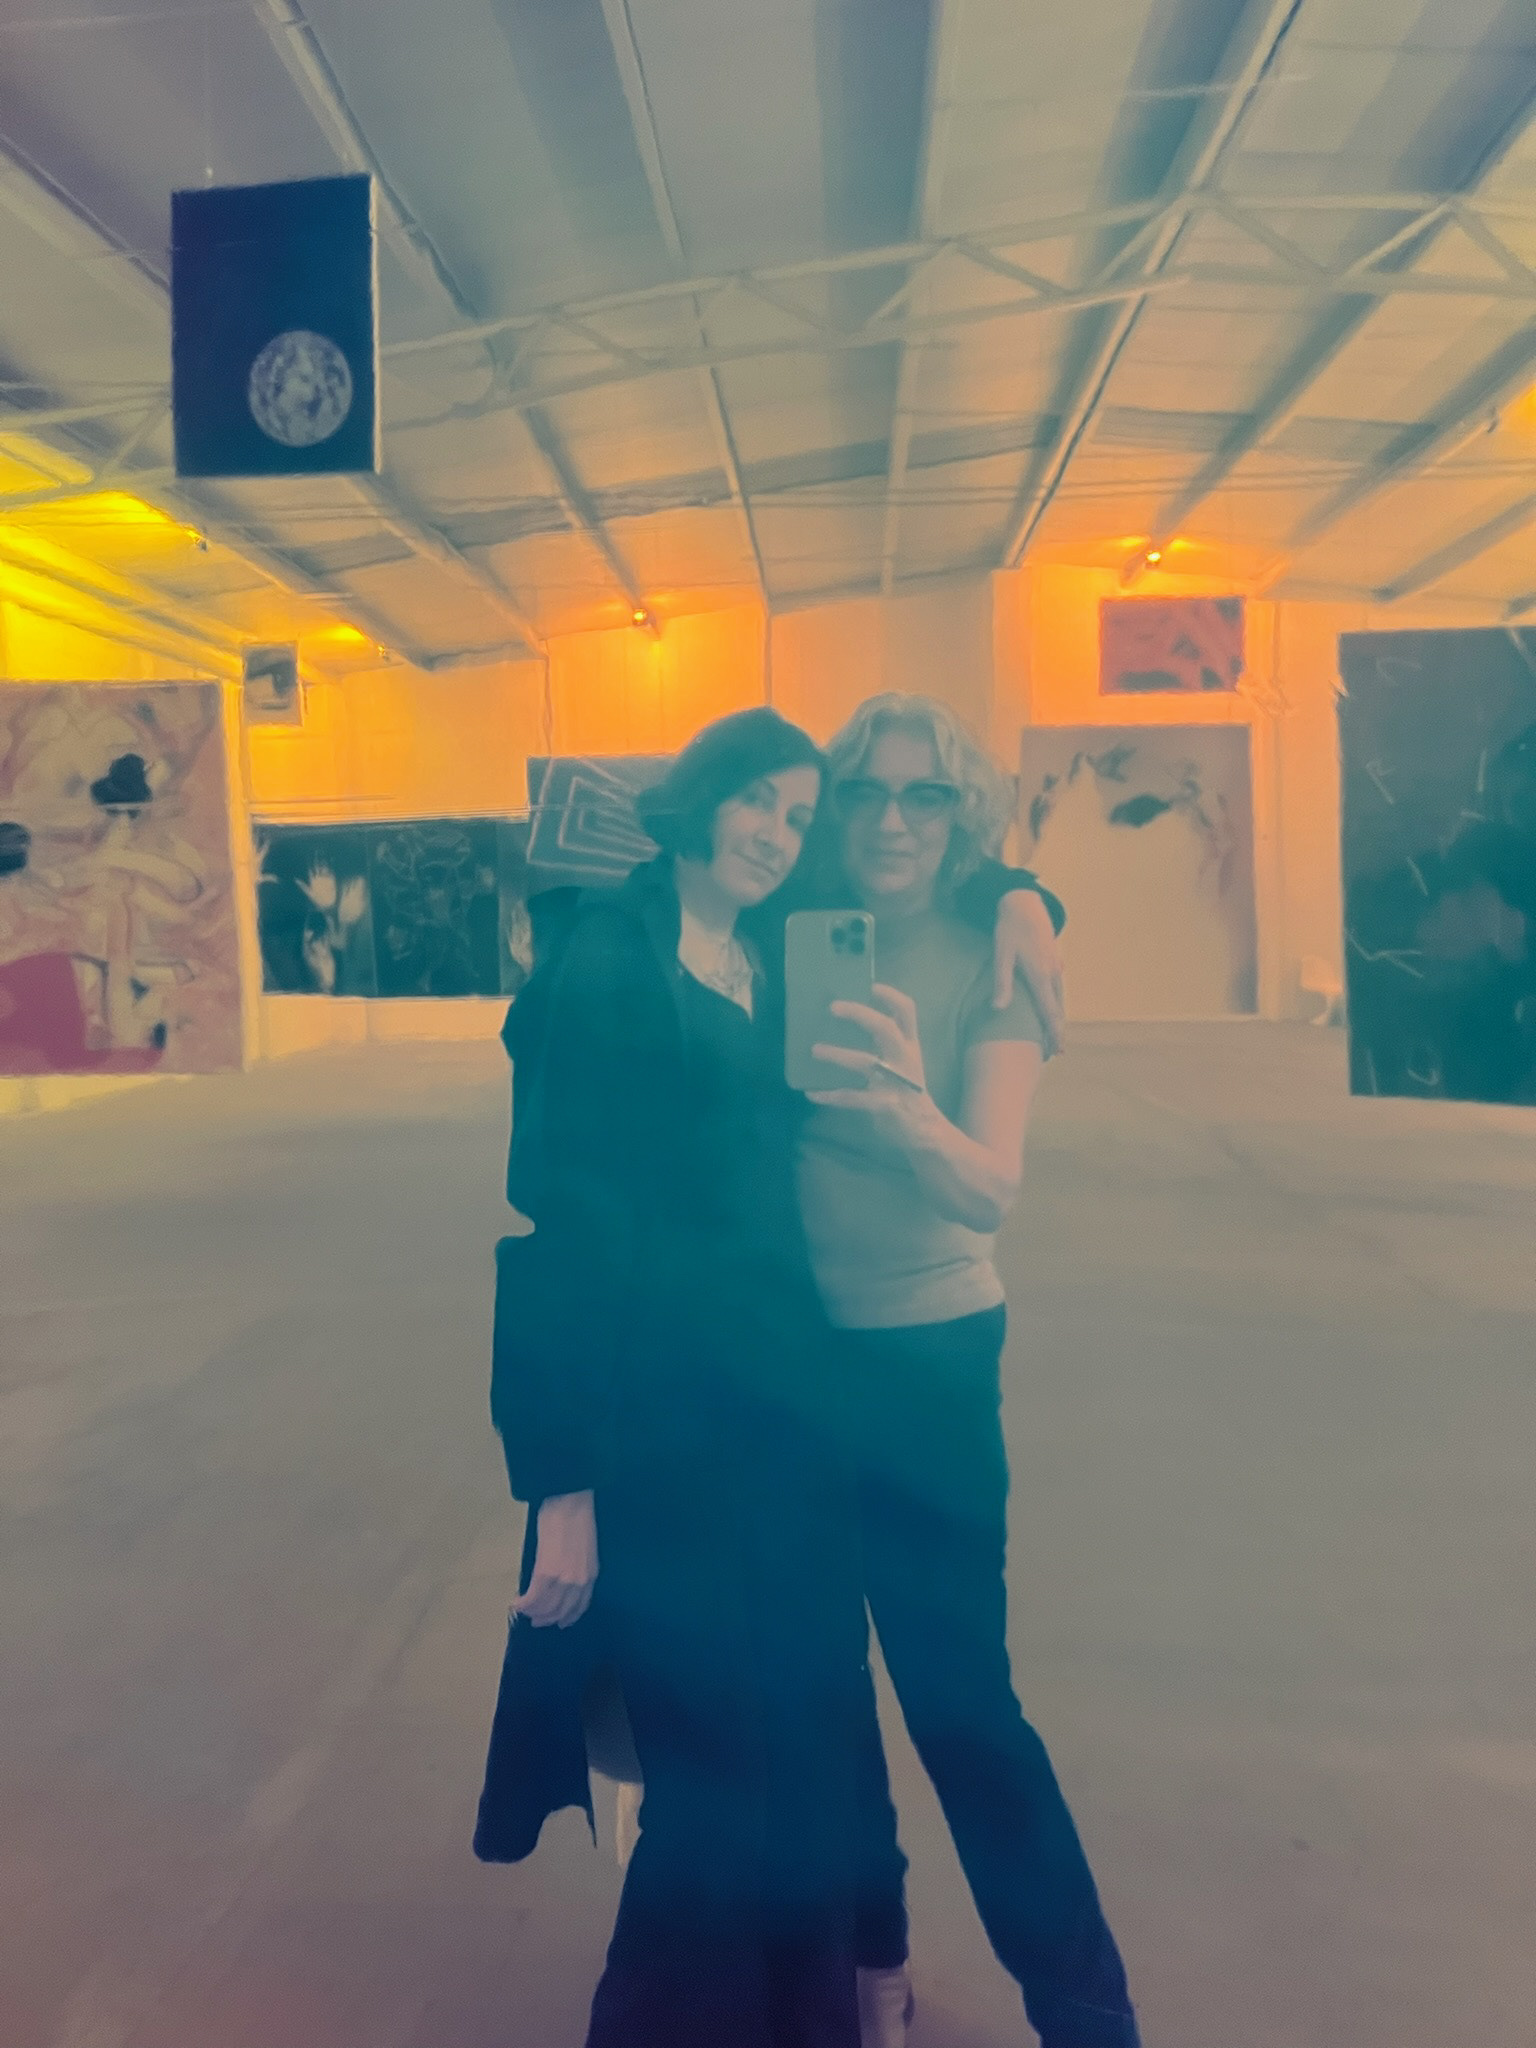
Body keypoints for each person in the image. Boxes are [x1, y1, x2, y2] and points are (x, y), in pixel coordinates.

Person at [481, 707, 870, 2048]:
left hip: (789, 1424)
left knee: (800, 1741)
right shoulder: (609, 958)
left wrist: (1022, 900)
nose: (777, 833)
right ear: (700, 800)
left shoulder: (773, 955)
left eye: (799, 816)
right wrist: (563, 1486)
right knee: (709, 1765)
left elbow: (940, 869)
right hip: (662, 1437)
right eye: (758, 800)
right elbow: (557, 1232)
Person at [794, 694, 1139, 2048]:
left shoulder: (999, 958)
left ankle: (1087, 2014)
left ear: (963, 813)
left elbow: (989, 1188)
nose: (893, 821)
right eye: (866, 793)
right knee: (820, 1695)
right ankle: (870, 1962)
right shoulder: (793, 927)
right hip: (779, 1362)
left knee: (961, 1706)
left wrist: (899, 1104)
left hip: (927, 1358)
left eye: (925, 795)